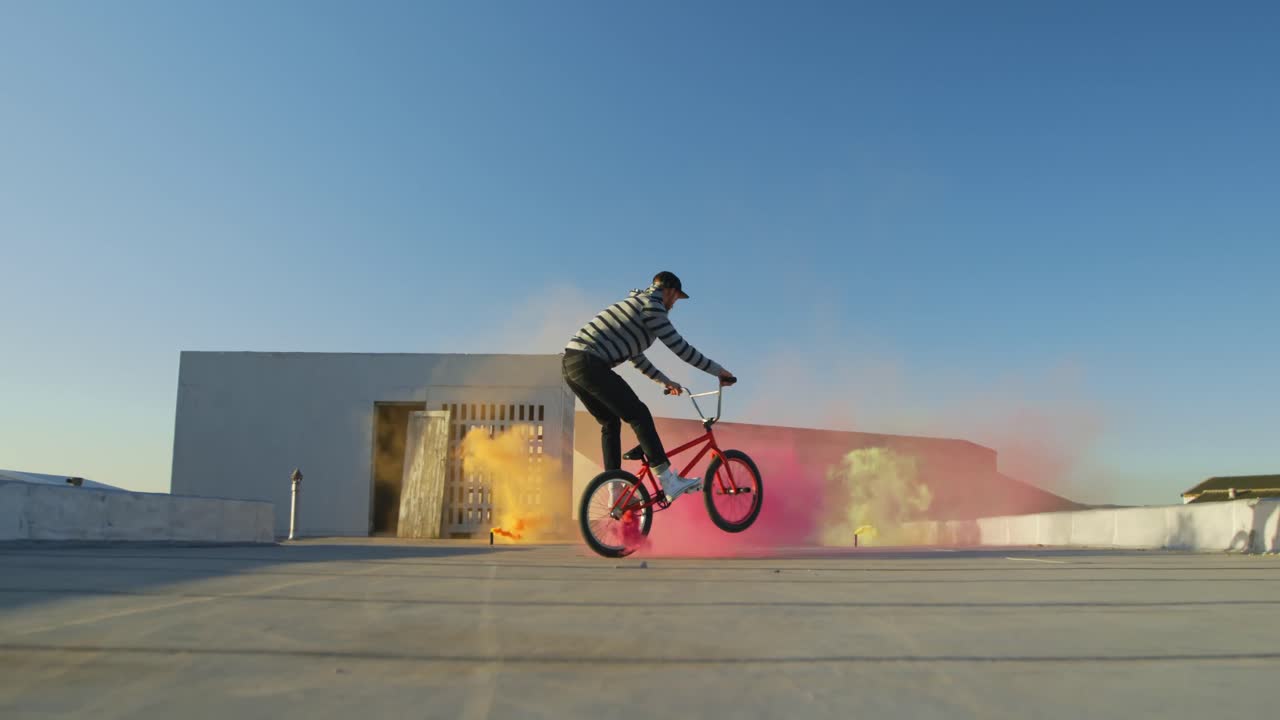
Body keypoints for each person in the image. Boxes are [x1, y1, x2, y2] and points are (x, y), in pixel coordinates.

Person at [563, 271, 735, 503]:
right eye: (675, 299)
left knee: (610, 422)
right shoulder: (653, 308)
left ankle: (616, 493)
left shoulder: (637, 305)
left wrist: (665, 381)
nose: (674, 304)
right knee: (639, 414)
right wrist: (718, 371)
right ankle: (668, 480)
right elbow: (681, 349)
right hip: (590, 362)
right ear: (670, 291)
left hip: (571, 364)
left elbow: (637, 358)